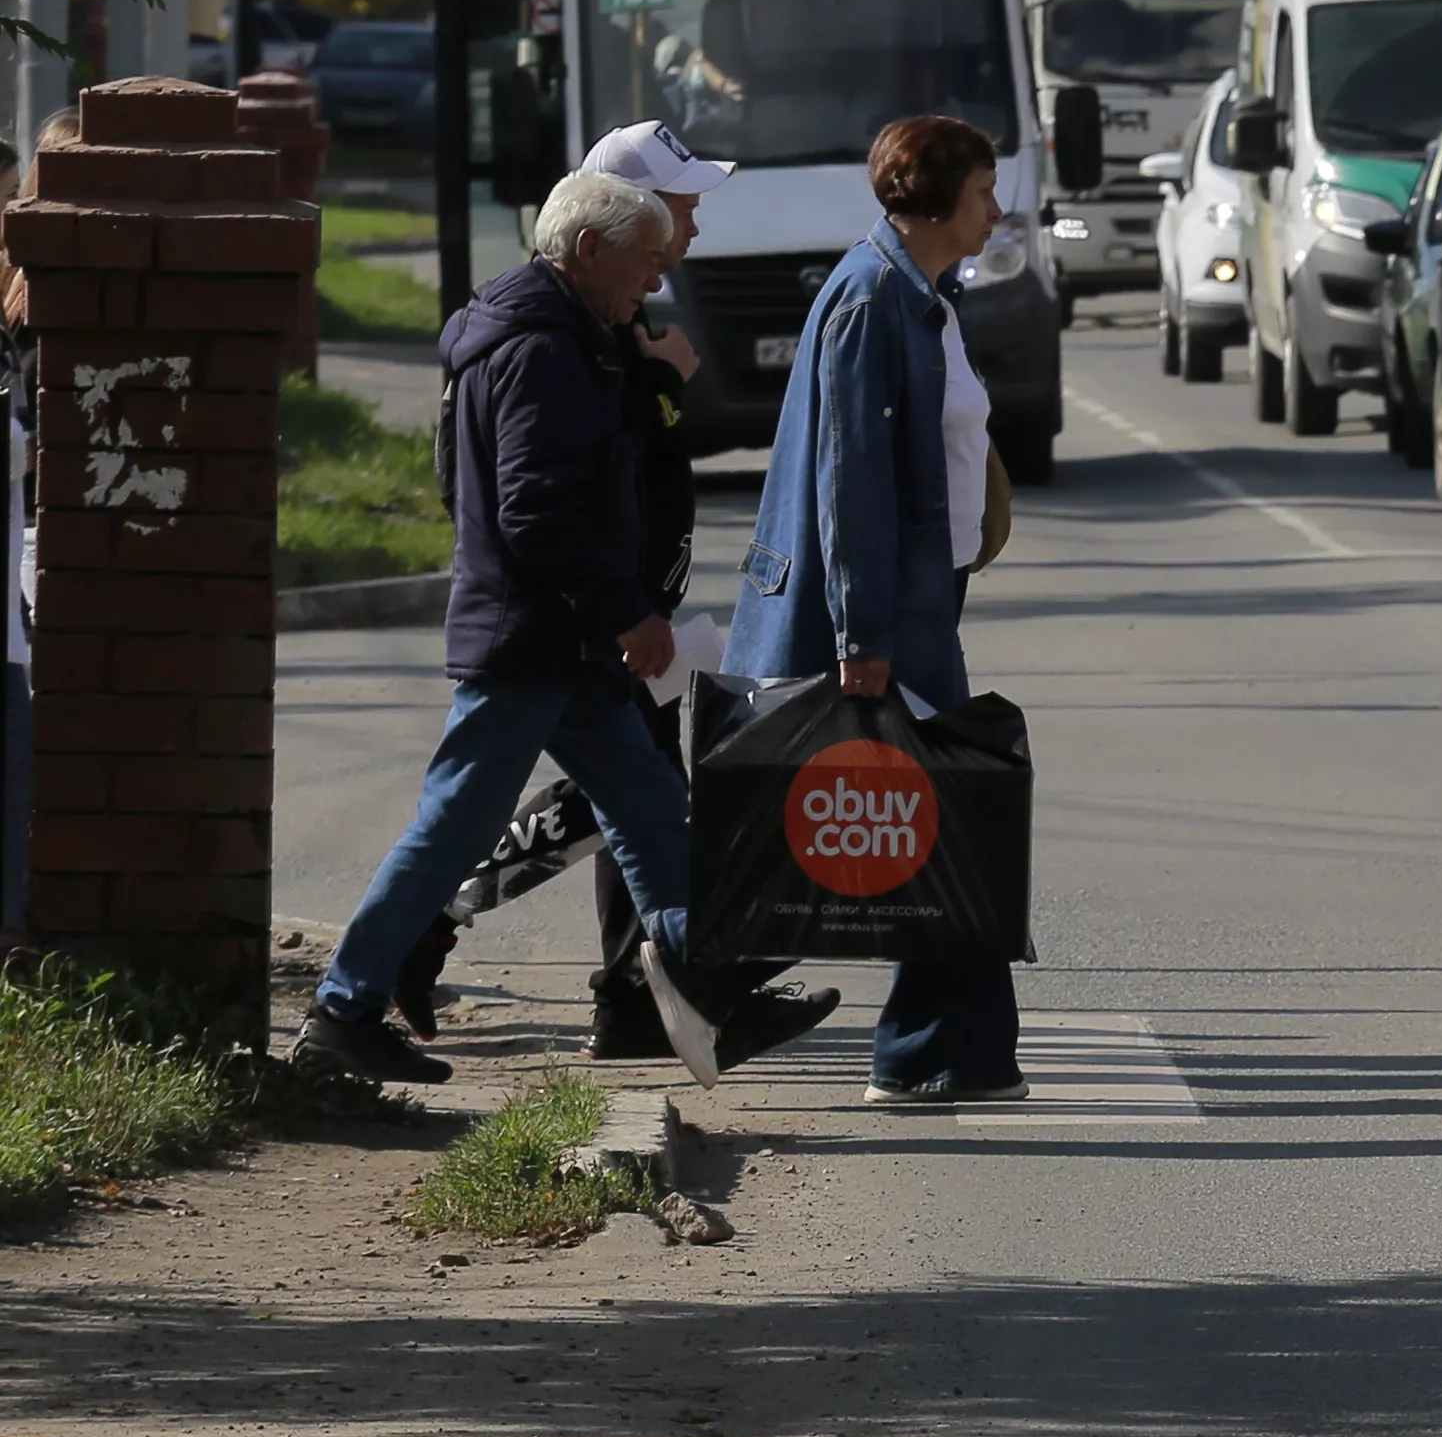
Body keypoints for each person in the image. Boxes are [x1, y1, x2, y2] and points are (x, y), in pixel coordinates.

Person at [291, 173, 835, 1091]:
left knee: (656, 811)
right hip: (533, 641)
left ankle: (704, 989)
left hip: (564, 645)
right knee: (452, 828)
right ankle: (341, 1012)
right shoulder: (542, 349)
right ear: (589, 250)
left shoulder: (562, 333)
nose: (652, 285)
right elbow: (534, 507)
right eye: (644, 264)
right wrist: (626, 611)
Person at [397, 116, 739, 1056]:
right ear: (616, 216)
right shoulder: (574, 332)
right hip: (589, 613)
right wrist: (659, 388)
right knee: (621, 793)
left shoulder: (611, 318)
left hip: (623, 606)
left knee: (636, 792)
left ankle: (634, 990)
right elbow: (554, 484)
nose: (688, 236)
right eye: (680, 209)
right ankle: (416, 939)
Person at [727, 113, 1026, 1107]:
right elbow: (848, 479)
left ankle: (950, 1053)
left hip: (921, 603)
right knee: (939, 827)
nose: (997, 208)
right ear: (936, 200)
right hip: (879, 615)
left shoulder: (922, 294)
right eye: (983, 190)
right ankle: (927, 1050)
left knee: (941, 824)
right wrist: (864, 638)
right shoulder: (870, 298)